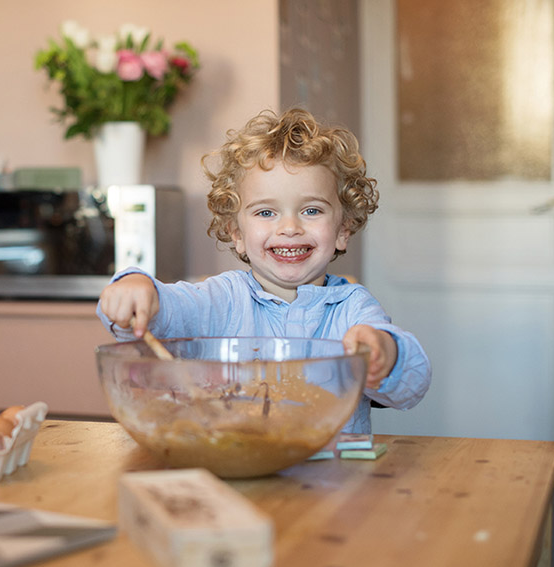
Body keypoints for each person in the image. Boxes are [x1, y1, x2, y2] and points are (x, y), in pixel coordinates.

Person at [96, 108, 431, 433]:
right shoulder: (223, 299)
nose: (289, 227)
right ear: (237, 234)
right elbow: (162, 313)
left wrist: (386, 352)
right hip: (235, 473)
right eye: (266, 213)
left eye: (311, 210)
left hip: (333, 480)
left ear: (343, 229)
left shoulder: (352, 308)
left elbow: (411, 386)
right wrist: (137, 287)